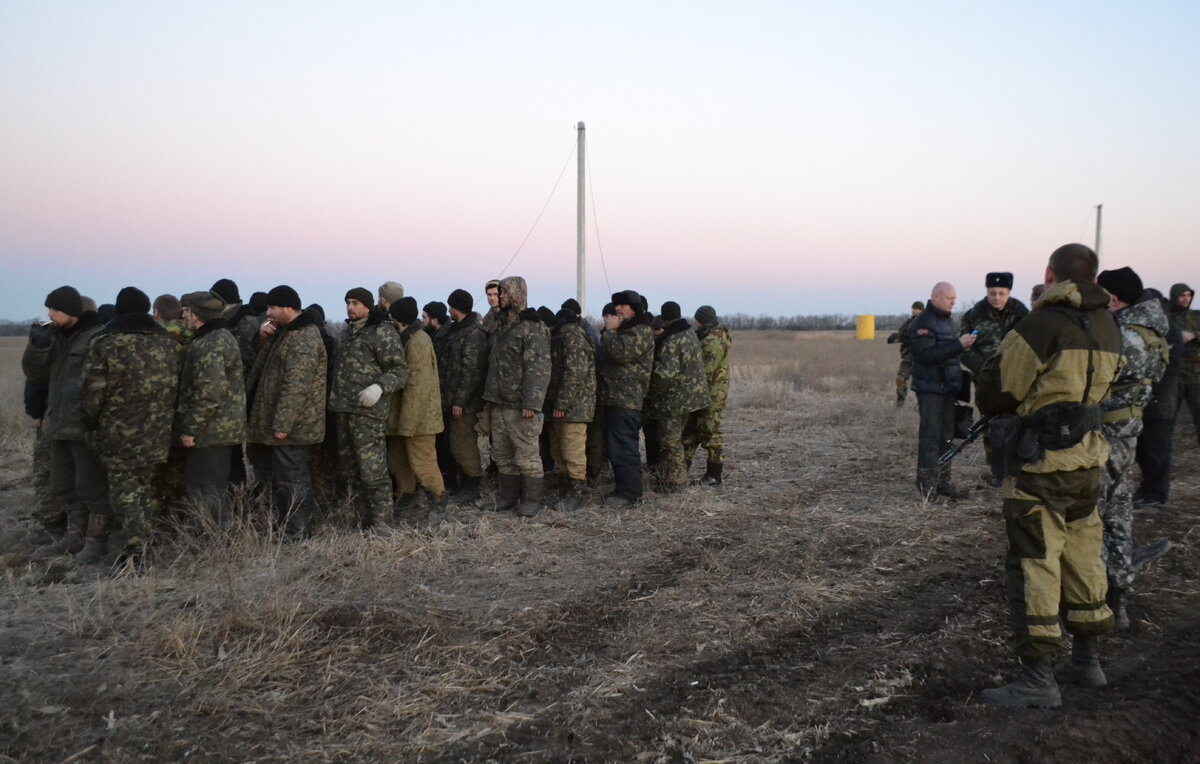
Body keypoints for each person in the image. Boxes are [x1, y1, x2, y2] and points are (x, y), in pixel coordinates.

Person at [975, 243, 1123, 709]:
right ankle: (1087, 661)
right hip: (1088, 462)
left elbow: (999, 387)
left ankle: (1038, 678)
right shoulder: (1109, 326)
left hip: (1040, 467)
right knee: (1083, 557)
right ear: (1094, 277)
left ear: (1049, 274)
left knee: (1034, 564)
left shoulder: (1041, 324)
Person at [78, 287, 180, 566]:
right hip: (158, 432)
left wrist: (89, 424)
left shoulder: (105, 343)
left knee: (125, 493)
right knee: (146, 489)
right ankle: (147, 540)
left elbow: (91, 394)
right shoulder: (167, 342)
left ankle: (137, 553)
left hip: (118, 434)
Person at [1094, 268, 1169, 630]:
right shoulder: (1152, 333)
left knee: (1094, 519)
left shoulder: (1122, 337)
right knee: (1120, 515)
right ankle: (1119, 600)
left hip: (1105, 435)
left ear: (1113, 298)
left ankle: (1093, 602)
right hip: (1128, 433)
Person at [22, 287, 107, 557]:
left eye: (55, 309)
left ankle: (96, 542)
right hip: (56, 425)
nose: (50, 314)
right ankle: (73, 537)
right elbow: (36, 374)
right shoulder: (55, 338)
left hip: (83, 426)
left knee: (90, 486)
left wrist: (93, 419)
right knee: (63, 484)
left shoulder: (95, 337)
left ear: (71, 311)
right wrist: (37, 346)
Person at [245, 286, 327, 541]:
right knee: (281, 480)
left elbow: (296, 384)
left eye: (272, 308)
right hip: (276, 424)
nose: (267, 313)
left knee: (292, 479)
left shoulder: (304, 337)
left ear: (288, 308)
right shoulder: (283, 333)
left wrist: (283, 423)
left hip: (293, 427)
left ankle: (297, 531)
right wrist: (261, 338)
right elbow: (262, 369)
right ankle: (285, 526)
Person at [329, 288, 408, 531]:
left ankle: (384, 523)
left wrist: (379, 387)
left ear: (367, 305)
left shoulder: (381, 332)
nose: (350, 307)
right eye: (347, 302)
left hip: (367, 413)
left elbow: (399, 370)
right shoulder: (346, 333)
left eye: (355, 303)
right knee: (352, 470)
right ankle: (365, 520)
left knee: (372, 471)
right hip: (344, 410)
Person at [176, 290, 246, 528]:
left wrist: (191, 428)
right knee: (211, 486)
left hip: (212, 430)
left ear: (196, 315)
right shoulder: (217, 337)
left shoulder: (211, 343)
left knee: (206, 488)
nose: (182, 316)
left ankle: (212, 538)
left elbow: (210, 391)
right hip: (218, 428)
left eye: (186, 312)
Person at [482, 276, 551, 517]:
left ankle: (531, 500)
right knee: (501, 453)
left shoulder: (532, 326)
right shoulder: (501, 325)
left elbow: (538, 367)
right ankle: (507, 498)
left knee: (527, 454)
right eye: (499, 293)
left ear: (516, 294)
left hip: (521, 405)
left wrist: (531, 403)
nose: (499, 297)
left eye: (504, 293)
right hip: (500, 402)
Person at [959, 272, 1030, 486]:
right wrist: (984, 369)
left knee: (1019, 423)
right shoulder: (974, 315)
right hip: (986, 382)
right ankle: (997, 471)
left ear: (1009, 292)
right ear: (986, 292)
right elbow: (962, 348)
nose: (996, 297)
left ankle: (1019, 468)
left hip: (1016, 381)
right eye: (992, 293)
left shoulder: (1021, 314)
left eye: (1001, 293)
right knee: (991, 426)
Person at [910, 282, 976, 500]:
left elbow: (949, 354)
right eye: (950, 298)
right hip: (930, 390)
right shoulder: (924, 322)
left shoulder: (947, 321)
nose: (953, 302)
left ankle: (943, 483)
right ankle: (927, 489)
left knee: (947, 438)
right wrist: (958, 345)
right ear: (936, 296)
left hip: (948, 389)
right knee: (930, 438)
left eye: (955, 299)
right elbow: (926, 355)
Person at [385, 297, 447, 525]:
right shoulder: (406, 338)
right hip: (402, 418)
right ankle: (406, 497)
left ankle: (439, 504)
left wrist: (407, 424)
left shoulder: (417, 342)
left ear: (397, 319)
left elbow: (417, 387)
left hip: (419, 420)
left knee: (424, 464)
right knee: (398, 462)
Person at [645, 302, 710, 493]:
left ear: (664, 319)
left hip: (674, 401)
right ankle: (672, 478)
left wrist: (649, 391)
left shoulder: (672, 340)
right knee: (675, 441)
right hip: (690, 397)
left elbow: (665, 375)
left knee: (670, 443)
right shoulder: (689, 334)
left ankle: (675, 483)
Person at [600, 290, 655, 507]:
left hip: (627, 400)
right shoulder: (628, 330)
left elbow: (621, 354)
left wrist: (610, 332)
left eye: (622, 305)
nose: (617, 309)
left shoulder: (640, 332)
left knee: (624, 447)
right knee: (617, 447)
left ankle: (630, 494)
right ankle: (623, 488)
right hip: (616, 398)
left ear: (634, 308)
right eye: (617, 306)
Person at [1135, 288, 1184, 508]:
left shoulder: (1169, 331)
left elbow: (1172, 368)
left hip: (1159, 402)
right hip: (1143, 401)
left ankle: (1156, 494)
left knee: (1157, 451)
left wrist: (1156, 395)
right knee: (1144, 450)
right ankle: (1148, 490)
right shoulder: (1147, 329)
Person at [440, 289, 489, 505]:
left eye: (451, 306)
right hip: (452, 399)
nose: (449, 309)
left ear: (456, 307)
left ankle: (472, 486)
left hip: (465, 403)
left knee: (464, 445)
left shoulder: (473, 334)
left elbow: (471, 372)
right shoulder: (456, 330)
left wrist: (460, 401)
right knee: (455, 444)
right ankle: (463, 483)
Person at [546, 307, 596, 510]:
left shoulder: (572, 338)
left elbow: (574, 375)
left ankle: (576, 493)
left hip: (574, 408)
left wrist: (561, 404)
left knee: (572, 450)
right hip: (566, 406)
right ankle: (566, 488)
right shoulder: (564, 337)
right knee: (560, 450)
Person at [683, 305, 732, 485]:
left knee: (710, 434)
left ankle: (714, 475)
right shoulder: (708, 337)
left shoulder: (712, 341)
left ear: (700, 320)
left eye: (696, 320)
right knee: (689, 434)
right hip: (702, 395)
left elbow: (704, 370)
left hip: (710, 396)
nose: (694, 323)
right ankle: (679, 472)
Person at [1167, 283, 1200, 444]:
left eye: (1189, 295)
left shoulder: (1196, 316)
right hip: (1173, 374)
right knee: (1169, 416)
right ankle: (1165, 451)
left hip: (1195, 373)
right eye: (1182, 295)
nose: (1186, 299)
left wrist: (1194, 335)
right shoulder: (1166, 317)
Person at [886, 301, 925, 407]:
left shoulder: (925, 322)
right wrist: (895, 337)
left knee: (920, 384)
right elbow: (902, 334)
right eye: (913, 308)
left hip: (920, 359)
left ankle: (923, 406)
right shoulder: (910, 322)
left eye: (915, 308)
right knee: (900, 379)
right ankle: (900, 402)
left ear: (921, 310)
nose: (913, 310)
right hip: (908, 357)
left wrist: (909, 339)